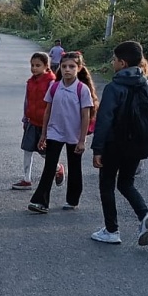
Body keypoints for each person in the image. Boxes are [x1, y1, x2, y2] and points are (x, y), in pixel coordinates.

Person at [90, 41, 148, 245]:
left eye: (114, 59)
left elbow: (104, 120)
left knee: (107, 185)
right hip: (137, 145)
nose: (113, 63)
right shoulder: (146, 83)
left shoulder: (115, 87)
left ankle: (112, 230)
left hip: (114, 144)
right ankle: (145, 215)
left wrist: (97, 149)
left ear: (122, 62)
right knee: (126, 183)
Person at [27, 51, 97, 214]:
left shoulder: (82, 89)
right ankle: (41, 202)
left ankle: (72, 199)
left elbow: (86, 115)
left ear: (79, 68)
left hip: (74, 134)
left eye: (71, 67)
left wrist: (82, 140)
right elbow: (47, 111)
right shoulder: (55, 86)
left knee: (74, 167)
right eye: (64, 66)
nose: (67, 70)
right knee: (49, 167)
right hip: (54, 132)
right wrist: (43, 134)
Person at [12, 52, 62, 191]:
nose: (34, 68)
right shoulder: (30, 82)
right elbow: (27, 101)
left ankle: (58, 168)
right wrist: (25, 118)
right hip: (32, 122)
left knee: (44, 152)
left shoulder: (52, 82)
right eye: (32, 65)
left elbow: (55, 104)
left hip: (46, 124)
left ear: (46, 66)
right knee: (27, 149)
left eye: (38, 65)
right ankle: (26, 179)